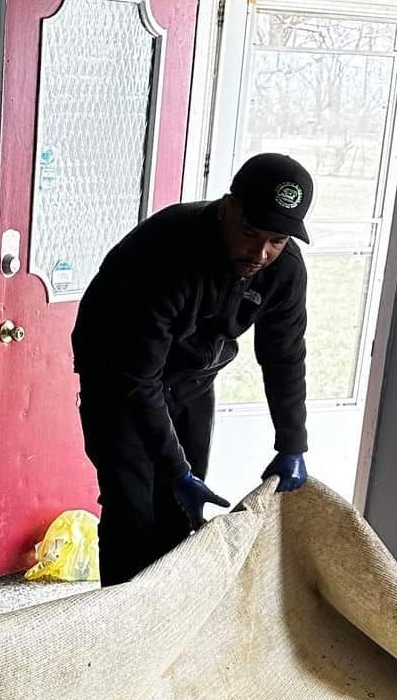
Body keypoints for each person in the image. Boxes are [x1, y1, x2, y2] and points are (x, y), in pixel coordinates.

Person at [71, 153, 314, 586]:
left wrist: (292, 441)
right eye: (250, 233)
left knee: (180, 512)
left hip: (193, 380)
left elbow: (285, 356)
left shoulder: (284, 270)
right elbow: (138, 380)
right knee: (132, 512)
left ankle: (170, 621)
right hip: (119, 379)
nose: (261, 253)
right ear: (227, 208)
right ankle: (124, 633)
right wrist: (175, 468)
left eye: (276, 240)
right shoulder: (165, 255)